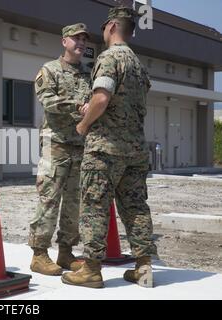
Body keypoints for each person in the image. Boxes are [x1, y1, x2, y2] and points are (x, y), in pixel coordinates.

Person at [61, 7, 157, 288]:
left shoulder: (109, 58)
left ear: (113, 25)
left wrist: (83, 124)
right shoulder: (139, 65)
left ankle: (91, 270)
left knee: (94, 207)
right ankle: (144, 268)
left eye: (104, 27)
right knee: (137, 207)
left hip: (105, 149)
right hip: (136, 150)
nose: (101, 33)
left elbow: (102, 98)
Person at [28, 23, 92, 276]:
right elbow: (48, 101)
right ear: (64, 41)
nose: (81, 43)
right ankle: (39, 254)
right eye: (76, 39)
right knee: (49, 199)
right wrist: (78, 106)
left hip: (80, 145)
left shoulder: (89, 75)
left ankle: (66, 252)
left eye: (84, 40)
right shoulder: (49, 70)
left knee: (74, 203)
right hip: (55, 144)